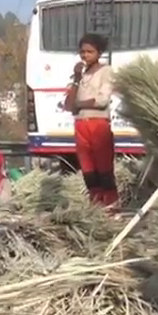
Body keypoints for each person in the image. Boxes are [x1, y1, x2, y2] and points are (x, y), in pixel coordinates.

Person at [64, 34, 118, 207]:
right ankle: (95, 207)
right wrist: (76, 79)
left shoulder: (106, 71)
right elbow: (68, 105)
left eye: (89, 51)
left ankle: (110, 206)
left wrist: (78, 104)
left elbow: (102, 101)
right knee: (88, 170)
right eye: (82, 52)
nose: (85, 55)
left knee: (104, 169)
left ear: (99, 52)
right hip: (81, 126)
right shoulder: (79, 76)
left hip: (98, 125)